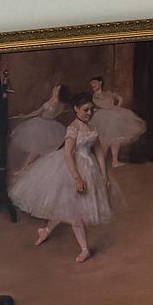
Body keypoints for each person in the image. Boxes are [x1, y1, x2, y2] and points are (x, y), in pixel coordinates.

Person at [9, 91, 114, 263]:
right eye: (85, 110)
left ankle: (45, 231)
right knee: (75, 213)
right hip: (71, 169)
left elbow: (99, 151)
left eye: (91, 109)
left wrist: (104, 173)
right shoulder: (73, 128)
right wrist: (77, 178)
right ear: (76, 109)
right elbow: (67, 154)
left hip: (89, 168)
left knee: (67, 207)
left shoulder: (92, 127)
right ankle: (85, 249)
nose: (89, 113)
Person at [89, 72, 146, 171]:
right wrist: (108, 108)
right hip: (103, 118)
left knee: (115, 138)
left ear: (100, 83)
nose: (93, 85)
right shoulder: (95, 96)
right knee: (104, 140)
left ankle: (115, 161)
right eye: (91, 84)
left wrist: (117, 107)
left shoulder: (108, 93)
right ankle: (101, 162)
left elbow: (120, 98)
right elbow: (102, 105)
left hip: (114, 116)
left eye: (94, 83)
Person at [11, 84, 69, 168]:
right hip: (52, 125)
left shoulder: (51, 102)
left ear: (58, 92)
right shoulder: (62, 104)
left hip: (42, 124)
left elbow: (36, 113)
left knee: (36, 147)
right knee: (42, 148)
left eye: (56, 88)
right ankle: (29, 166)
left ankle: (25, 167)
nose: (54, 89)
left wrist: (24, 116)